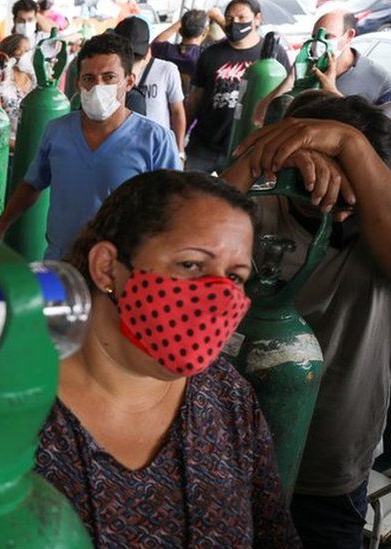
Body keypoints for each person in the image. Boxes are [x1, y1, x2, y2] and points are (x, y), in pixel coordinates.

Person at [0, 170, 300, 546]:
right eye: (191, 264)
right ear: (107, 268)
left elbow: (272, 533)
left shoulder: (227, 398)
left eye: (234, 278)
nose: (217, 296)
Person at [223, 95, 391, 549]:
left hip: (330, 469)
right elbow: (187, 235)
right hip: (230, 453)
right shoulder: (260, 208)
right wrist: (268, 160)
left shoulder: (379, 220)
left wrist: (350, 143)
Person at [0, 33, 178, 261]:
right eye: (89, 79)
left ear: (129, 81)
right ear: (78, 83)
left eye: (109, 77)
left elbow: (172, 209)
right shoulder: (57, 131)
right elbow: (32, 184)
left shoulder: (156, 140)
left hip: (119, 269)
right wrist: (0, 227)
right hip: (60, 262)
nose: (97, 87)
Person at [184, 0, 290, 174]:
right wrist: (179, 137)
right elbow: (195, 99)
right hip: (204, 146)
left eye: (242, 17)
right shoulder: (211, 53)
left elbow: (284, 98)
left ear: (257, 19)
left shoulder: (275, 55)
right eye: (230, 18)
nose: (235, 23)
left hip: (248, 149)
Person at [253, 9, 391, 125]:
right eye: (315, 37)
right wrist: (292, 76)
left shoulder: (379, 79)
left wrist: (331, 91)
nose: (319, 43)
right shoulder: (308, 69)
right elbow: (259, 117)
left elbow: (377, 135)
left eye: (328, 36)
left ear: (349, 36)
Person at [115, 17, 186, 157]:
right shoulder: (107, 73)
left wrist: (180, 151)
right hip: (121, 149)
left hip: (157, 150)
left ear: (148, 51)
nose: (130, 61)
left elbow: (177, 111)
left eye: (135, 56)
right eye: (124, 54)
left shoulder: (167, 70)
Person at [151, 9, 209, 94]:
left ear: (180, 31)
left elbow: (157, 42)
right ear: (204, 33)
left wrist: (181, 23)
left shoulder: (166, 51)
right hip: (191, 104)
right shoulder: (204, 56)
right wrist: (217, 17)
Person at [0, 34, 36, 143]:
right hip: (10, 147)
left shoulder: (36, 82)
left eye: (29, 51)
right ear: (10, 56)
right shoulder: (0, 86)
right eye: (23, 51)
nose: (28, 55)